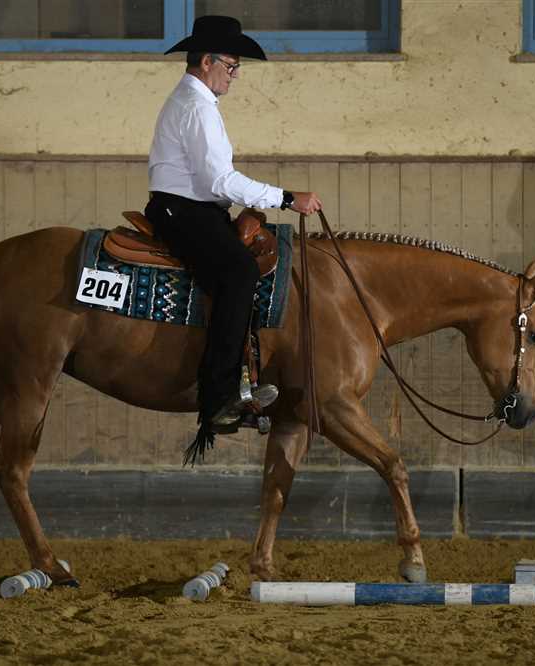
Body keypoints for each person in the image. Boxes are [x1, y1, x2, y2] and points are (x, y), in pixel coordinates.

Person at [145, 15, 322, 458]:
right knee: (239, 274)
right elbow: (220, 180)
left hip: (193, 209)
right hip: (184, 212)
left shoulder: (196, 101)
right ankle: (219, 396)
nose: (235, 75)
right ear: (206, 62)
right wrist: (285, 197)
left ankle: (243, 378)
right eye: (231, 65)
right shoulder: (197, 106)